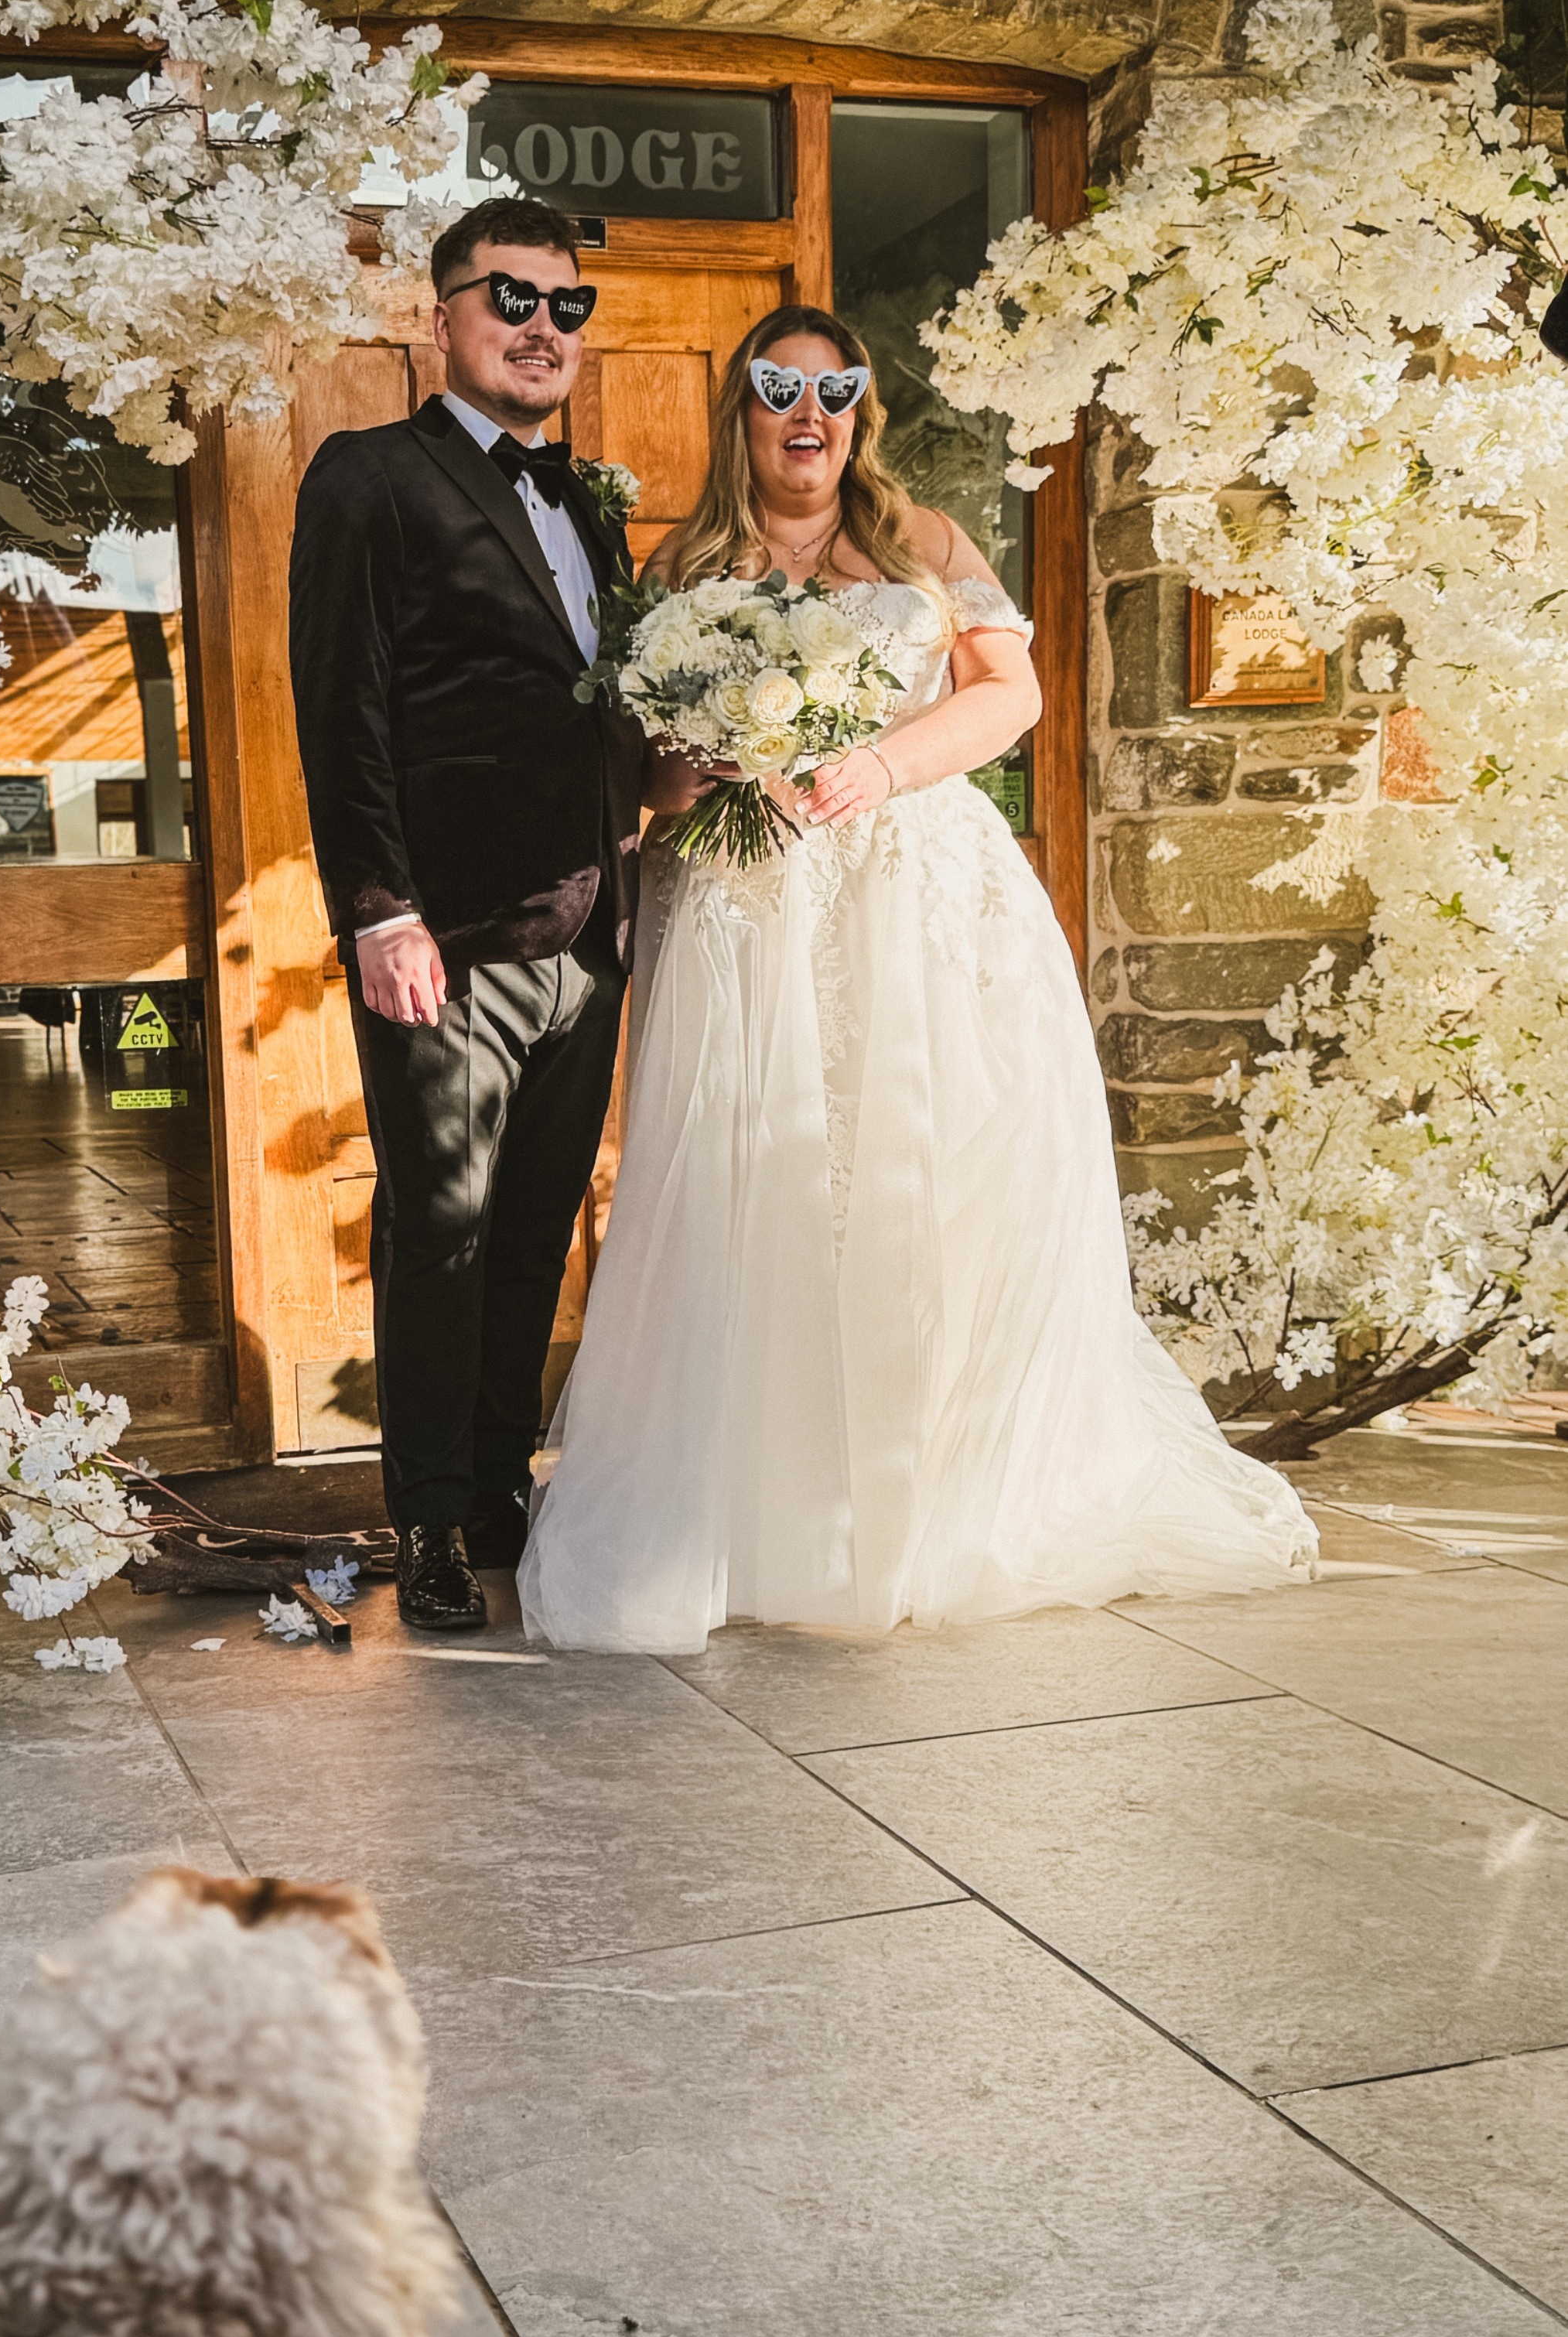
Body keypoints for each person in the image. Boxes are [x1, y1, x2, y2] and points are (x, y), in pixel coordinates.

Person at [518, 308, 1316, 1653]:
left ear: (862, 413)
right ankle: (754, 1508)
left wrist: (878, 766)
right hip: (744, 901)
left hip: (910, 889)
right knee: (749, 1185)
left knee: (916, 1175)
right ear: (746, 410)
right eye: (780, 386)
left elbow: (1012, 698)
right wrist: (697, 766)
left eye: (835, 390)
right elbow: (646, 771)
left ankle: (924, 1501)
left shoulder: (924, 544)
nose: (808, 411)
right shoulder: (682, 562)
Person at [289, 198, 643, 1632]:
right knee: (440, 1227)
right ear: (439, 319)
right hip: (448, 940)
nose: (542, 327)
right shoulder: (370, 476)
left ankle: (500, 1491)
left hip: (593, 931)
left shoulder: (593, 504)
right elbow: (343, 707)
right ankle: (428, 1520)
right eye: (511, 299)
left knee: (538, 1228)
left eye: (566, 307)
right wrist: (381, 913)